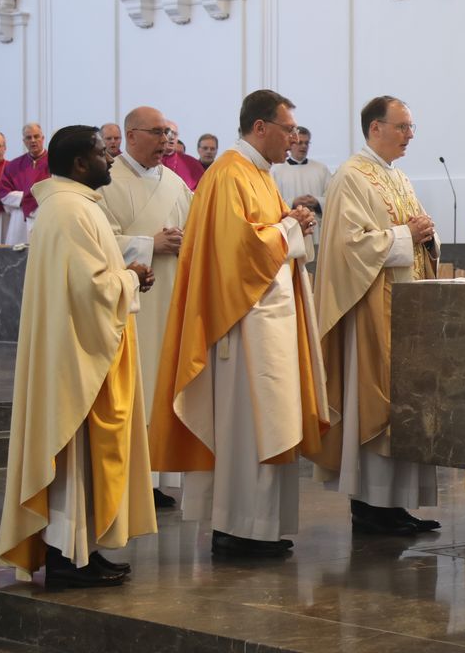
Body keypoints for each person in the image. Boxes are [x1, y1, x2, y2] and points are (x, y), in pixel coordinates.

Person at [149, 89, 330, 557]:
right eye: (287, 128)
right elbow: (240, 250)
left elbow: (265, 236)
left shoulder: (261, 174)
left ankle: (262, 527)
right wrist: (290, 228)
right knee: (250, 429)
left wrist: (292, 221)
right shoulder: (230, 172)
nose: (293, 137)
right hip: (244, 326)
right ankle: (237, 529)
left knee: (270, 425)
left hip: (269, 323)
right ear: (260, 128)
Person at [0, 125, 156, 588]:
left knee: (81, 457)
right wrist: (130, 279)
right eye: (104, 154)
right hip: (74, 359)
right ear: (81, 164)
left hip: (76, 350)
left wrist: (122, 275)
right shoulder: (69, 211)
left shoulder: (73, 207)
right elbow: (91, 290)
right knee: (71, 457)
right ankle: (68, 559)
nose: (112, 160)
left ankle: (82, 550)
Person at [313, 95, 440, 535]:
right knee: (376, 402)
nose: (410, 135)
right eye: (402, 126)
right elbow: (350, 246)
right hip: (372, 307)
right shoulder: (351, 176)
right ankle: (370, 506)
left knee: (405, 404)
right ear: (375, 129)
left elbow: (410, 230)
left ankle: (395, 504)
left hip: (406, 307)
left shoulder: (398, 177)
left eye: (411, 127)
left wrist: (424, 235)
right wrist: (407, 234)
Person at [98, 107, 193, 509]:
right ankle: (127, 478)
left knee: (161, 387)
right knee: (135, 389)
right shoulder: (105, 182)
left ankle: (154, 478)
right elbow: (97, 244)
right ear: (131, 134)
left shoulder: (175, 182)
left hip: (170, 298)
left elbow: (197, 232)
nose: (165, 141)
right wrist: (149, 244)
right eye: (157, 133)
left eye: (169, 133)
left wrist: (184, 240)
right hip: (131, 304)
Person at [272, 126, 333, 262]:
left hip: (316, 237)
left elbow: (333, 197)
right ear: (291, 143)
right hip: (288, 237)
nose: (303, 146)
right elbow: (271, 202)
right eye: (300, 143)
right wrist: (292, 202)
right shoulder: (276, 170)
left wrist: (317, 202)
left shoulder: (321, 169)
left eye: (307, 143)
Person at [0, 123, 50, 246]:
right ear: (23, 141)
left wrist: (28, 197)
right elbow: (3, 194)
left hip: (45, 214)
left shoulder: (54, 162)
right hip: (19, 220)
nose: (33, 140)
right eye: (28, 137)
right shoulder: (13, 166)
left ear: (43, 138)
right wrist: (28, 197)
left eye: (36, 136)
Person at [160, 120, 205, 190]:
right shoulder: (147, 160)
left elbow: (203, 192)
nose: (172, 137)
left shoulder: (192, 164)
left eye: (175, 134)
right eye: (167, 133)